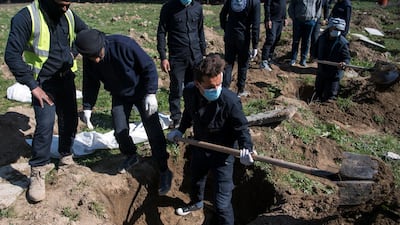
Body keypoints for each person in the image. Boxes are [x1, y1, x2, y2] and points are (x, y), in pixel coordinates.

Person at [4, 0, 88, 203]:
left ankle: (66, 156)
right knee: (46, 124)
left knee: (70, 119)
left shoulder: (67, 14)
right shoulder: (27, 17)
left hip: (65, 78)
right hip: (43, 83)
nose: (66, 9)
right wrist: (33, 86)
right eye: (62, 5)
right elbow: (11, 55)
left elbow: (85, 33)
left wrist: (73, 53)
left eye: (68, 4)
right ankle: (38, 172)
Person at [75, 29, 173, 196]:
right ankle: (131, 155)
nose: (96, 60)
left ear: (102, 45)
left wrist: (151, 93)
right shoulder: (90, 58)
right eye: (92, 58)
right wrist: (88, 106)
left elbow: (148, 66)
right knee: (120, 129)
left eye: (98, 55)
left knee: (153, 130)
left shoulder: (124, 45)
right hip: (119, 94)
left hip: (141, 91)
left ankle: (164, 169)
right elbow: (90, 82)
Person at [167, 53, 256, 225]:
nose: (216, 89)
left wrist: (247, 148)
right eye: (210, 87)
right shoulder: (190, 92)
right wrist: (180, 130)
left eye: (219, 84)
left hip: (224, 153)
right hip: (200, 145)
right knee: (195, 180)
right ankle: (196, 204)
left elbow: (241, 128)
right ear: (199, 84)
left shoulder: (230, 101)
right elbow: (188, 112)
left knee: (221, 203)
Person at [156, 0, 207, 129]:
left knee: (196, 88)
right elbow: (161, 32)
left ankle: (195, 117)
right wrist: (163, 57)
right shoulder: (168, 8)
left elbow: (200, 31)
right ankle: (176, 119)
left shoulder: (197, 8)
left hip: (195, 56)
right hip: (177, 57)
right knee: (176, 89)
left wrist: (203, 53)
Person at [220, 0, 261, 97]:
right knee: (243, 63)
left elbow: (222, 14)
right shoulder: (254, 2)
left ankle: (225, 88)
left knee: (228, 62)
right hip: (243, 37)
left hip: (230, 35)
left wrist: (226, 28)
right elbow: (256, 24)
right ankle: (240, 89)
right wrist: (255, 45)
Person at [312, 17, 350, 102]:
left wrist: (344, 63)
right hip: (322, 69)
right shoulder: (322, 38)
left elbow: (347, 57)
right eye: (335, 28)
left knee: (330, 95)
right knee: (318, 90)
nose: (336, 31)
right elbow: (316, 47)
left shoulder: (342, 43)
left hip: (334, 72)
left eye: (339, 29)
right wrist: (313, 56)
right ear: (330, 27)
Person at [288, 0, 322, 67]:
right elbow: (291, 6)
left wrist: (315, 18)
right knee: (296, 40)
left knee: (306, 41)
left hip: (310, 21)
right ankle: (293, 59)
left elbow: (319, 7)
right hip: (298, 21)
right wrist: (293, 17)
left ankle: (303, 60)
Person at [260, 0, 288, 71]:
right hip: (272, 20)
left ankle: (270, 58)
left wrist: (285, 17)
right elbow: (267, 5)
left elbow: (284, 5)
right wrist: (268, 19)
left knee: (277, 39)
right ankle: (264, 61)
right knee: (270, 39)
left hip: (280, 19)